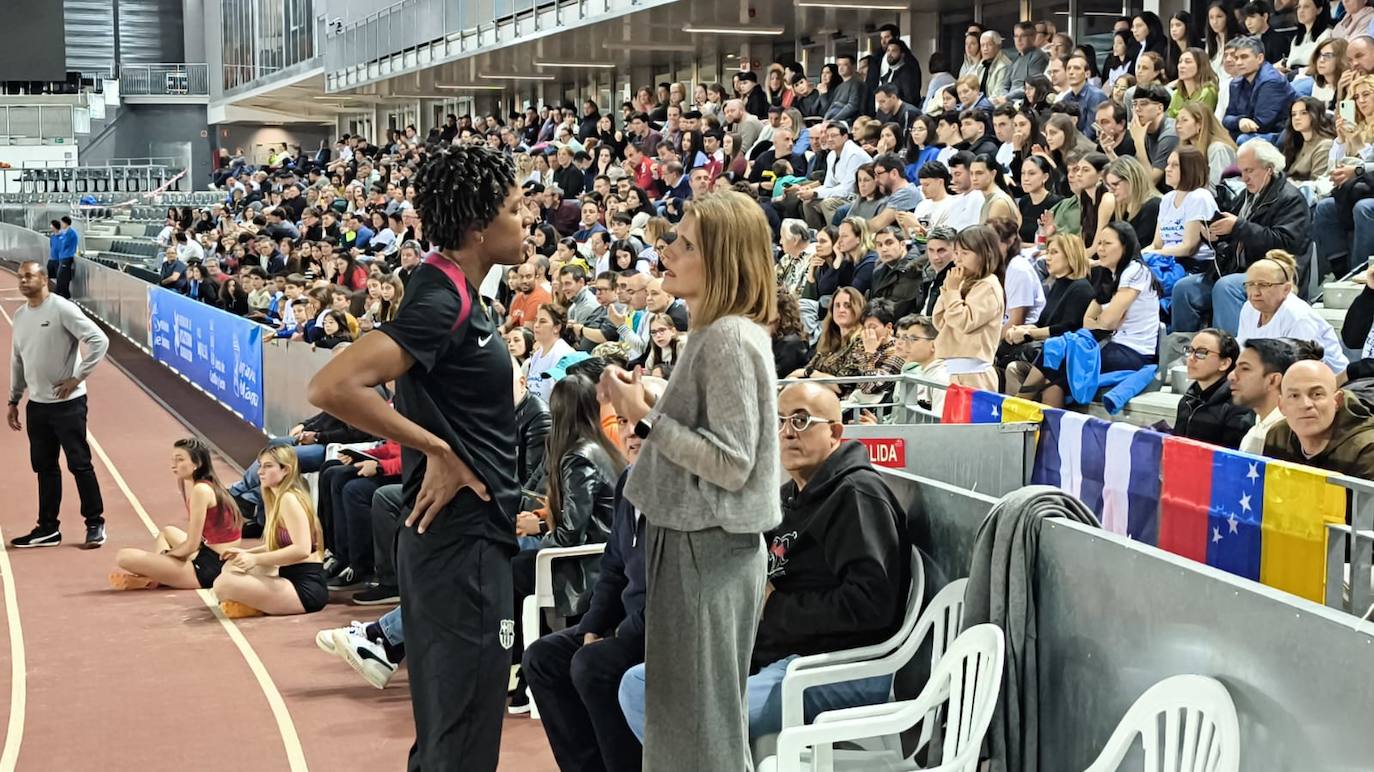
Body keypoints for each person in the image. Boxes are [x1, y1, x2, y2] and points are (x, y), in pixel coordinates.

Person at [307, 145, 525, 772]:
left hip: (462, 545)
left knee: (451, 729)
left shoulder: (455, 291)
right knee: (462, 735)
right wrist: (436, 450)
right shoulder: (442, 302)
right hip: (460, 545)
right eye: (515, 210)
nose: (527, 221)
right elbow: (331, 387)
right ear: (478, 228)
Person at [597, 190, 780, 772]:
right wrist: (651, 398)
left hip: (709, 550)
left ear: (721, 260)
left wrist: (642, 416)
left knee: (702, 729)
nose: (666, 250)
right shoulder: (716, 333)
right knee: (684, 719)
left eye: (684, 243)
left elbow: (731, 462)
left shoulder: (728, 337)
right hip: (696, 546)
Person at [620, 381, 908, 742]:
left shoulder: (857, 496)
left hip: (834, 666)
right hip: (774, 654)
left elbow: (871, 606)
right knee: (638, 684)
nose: (787, 433)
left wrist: (773, 605)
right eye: (780, 421)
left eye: (802, 421)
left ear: (835, 432)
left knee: (688, 719)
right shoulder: (791, 496)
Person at [522, 376, 662, 772]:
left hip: (665, 632)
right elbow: (615, 568)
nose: (632, 433)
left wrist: (614, 634)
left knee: (591, 665)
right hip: (627, 619)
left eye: (642, 423)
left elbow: (666, 591)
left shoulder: (676, 494)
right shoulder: (627, 483)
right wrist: (592, 624)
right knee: (543, 657)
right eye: (623, 422)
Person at [508, 374, 622, 713]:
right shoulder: (601, 447)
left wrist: (541, 532)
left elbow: (571, 533)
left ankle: (521, 669)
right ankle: (521, 667)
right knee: (516, 561)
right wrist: (542, 523)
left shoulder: (577, 456)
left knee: (511, 568)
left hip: (587, 563)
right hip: (597, 554)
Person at [7, 260, 109, 549]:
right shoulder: (21, 315)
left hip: (67, 405)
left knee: (79, 463)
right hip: (37, 406)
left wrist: (77, 378)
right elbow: (17, 359)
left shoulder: (62, 308)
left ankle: (95, 522)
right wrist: (14, 399)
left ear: (44, 278)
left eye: (29, 276)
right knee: (45, 467)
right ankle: (48, 528)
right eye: (20, 277)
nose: (23, 281)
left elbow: (99, 340)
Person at [109, 438, 243, 590]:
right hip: (211, 554)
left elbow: (192, 545)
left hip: (209, 569)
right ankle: (156, 576)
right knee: (167, 532)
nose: (174, 464)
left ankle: (154, 578)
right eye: (173, 459)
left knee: (124, 557)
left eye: (180, 460)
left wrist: (165, 557)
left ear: (197, 463)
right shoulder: (208, 485)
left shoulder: (201, 491)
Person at [212, 445, 327, 618]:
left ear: (286, 470)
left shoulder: (290, 499)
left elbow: (302, 549)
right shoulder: (274, 497)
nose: (260, 472)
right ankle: (255, 603)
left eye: (268, 466)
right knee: (231, 566)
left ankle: (255, 604)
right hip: (287, 574)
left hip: (305, 588)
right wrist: (245, 553)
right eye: (260, 465)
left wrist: (254, 559)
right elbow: (277, 545)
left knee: (223, 584)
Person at [1235, 251, 1349, 373]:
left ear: (1286, 289)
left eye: (1264, 285)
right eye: (1250, 284)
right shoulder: (1249, 308)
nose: (1255, 292)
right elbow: (1244, 349)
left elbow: (1301, 369)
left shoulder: (1297, 317)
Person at [1264, 360, 1374, 477]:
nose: (1305, 404)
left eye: (1317, 394)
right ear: (1281, 405)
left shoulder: (1367, 448)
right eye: (1294, 396)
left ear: (1337, 400)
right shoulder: (1277, 435)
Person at [932, 224, 1006, 391]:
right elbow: (939, 321)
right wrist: (948, 289)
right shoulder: (959, 283)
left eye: (964, 253)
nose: (957, 259)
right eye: (956, 253)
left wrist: (951, 292)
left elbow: (964, 322)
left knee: (970, 418)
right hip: (952, 369)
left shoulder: (988, 286)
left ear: (985, 254)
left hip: (975, 374)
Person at [1173, 328, 1255, 448]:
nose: (1191, 358)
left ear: (1224, 363)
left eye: (1201, 353)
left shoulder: (1238, 405)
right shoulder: (1187, 400)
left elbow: (1232, 457)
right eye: (1190, 350)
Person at [1230, 337, 1315, 453]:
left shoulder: (1291, 438)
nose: (1231, 376)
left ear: (1273, 380)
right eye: (1236, 367)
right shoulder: (1257, 428)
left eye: (1245, 368)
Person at [1222, 36, 1296, 142]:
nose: (1238, 62)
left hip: (1279, 134)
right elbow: (1226, 118)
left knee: (1243, 139)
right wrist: (1240, 121)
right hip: (1249, 133)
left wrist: (1238, 123)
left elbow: (1261, 124)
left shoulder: (1271, 81)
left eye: (1244, 57)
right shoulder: (1236, 83)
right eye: (1236, 58)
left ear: (1260, 58)